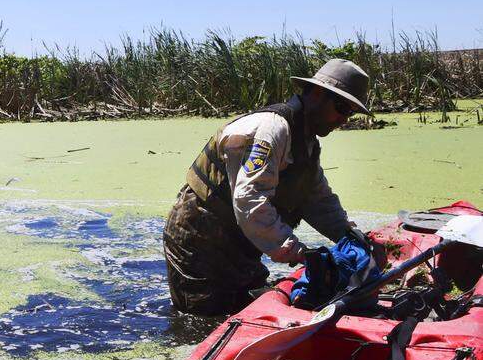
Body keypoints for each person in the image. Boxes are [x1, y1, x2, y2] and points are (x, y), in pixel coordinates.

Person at [163, 58, 387, 315]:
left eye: (350, 112)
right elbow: (249, 200)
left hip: (242, 240)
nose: (343, 119)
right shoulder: (269, 131)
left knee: (242, 306)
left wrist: (353, 238)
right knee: (202, 318)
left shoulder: (306, 142)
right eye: (341, 108)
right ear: (316, 93)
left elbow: (317, 200)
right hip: (201, 235)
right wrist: (297, 252)